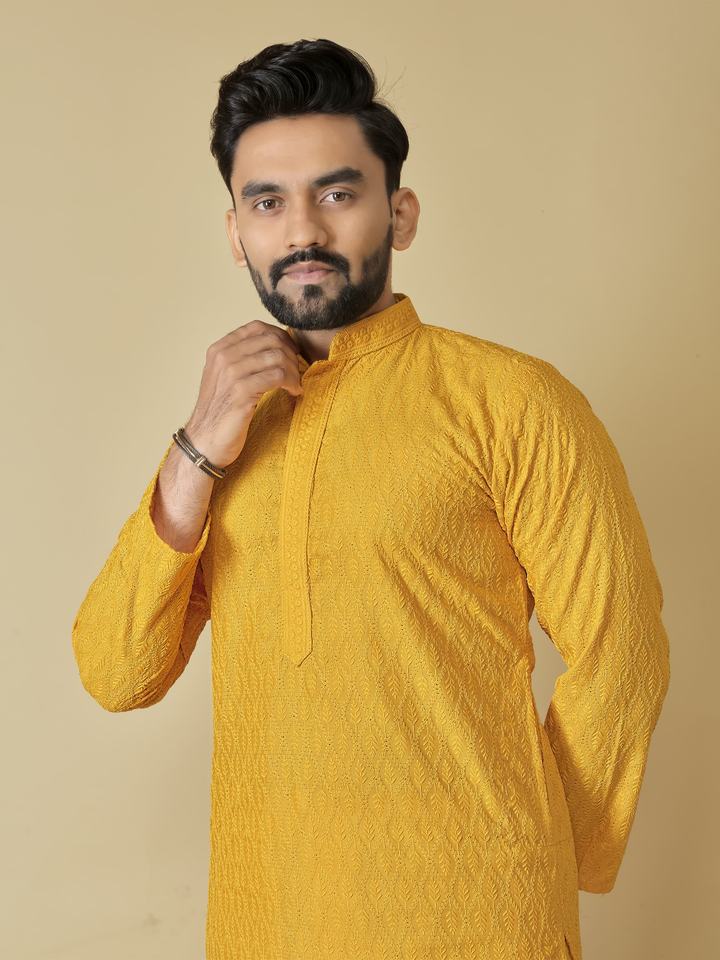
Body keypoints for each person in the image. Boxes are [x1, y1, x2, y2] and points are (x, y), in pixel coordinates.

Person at [71, 37, 670, 960]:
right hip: (267, 921)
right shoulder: (226, 429)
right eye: (267, 202)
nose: (302, 230)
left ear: (400, 213)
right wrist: (195, 451)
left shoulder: (511, 401)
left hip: (478, 920)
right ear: (236, 234)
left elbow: (622, 654)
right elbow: (117, 674)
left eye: (337, 193)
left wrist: (549, 856)